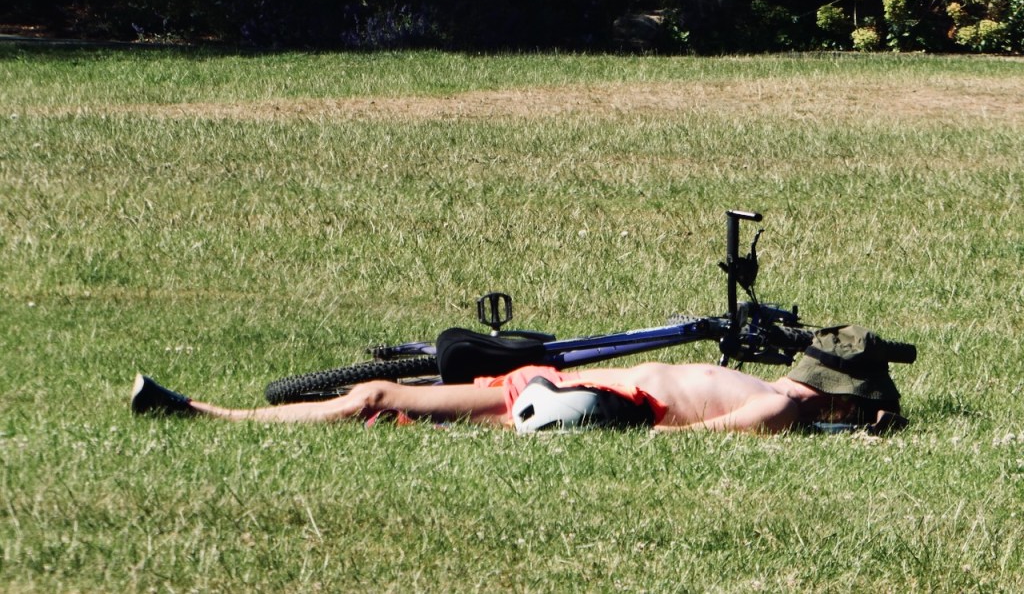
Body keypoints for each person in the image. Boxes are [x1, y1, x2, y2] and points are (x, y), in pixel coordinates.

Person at [131, 328, 908, 435]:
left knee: (381, 405)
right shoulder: (786, 395)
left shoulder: (786, 402)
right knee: (375, 396)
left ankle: (206, 414)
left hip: (591, 402)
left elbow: (708, 435)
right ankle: (200, 409)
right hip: (559, 381)